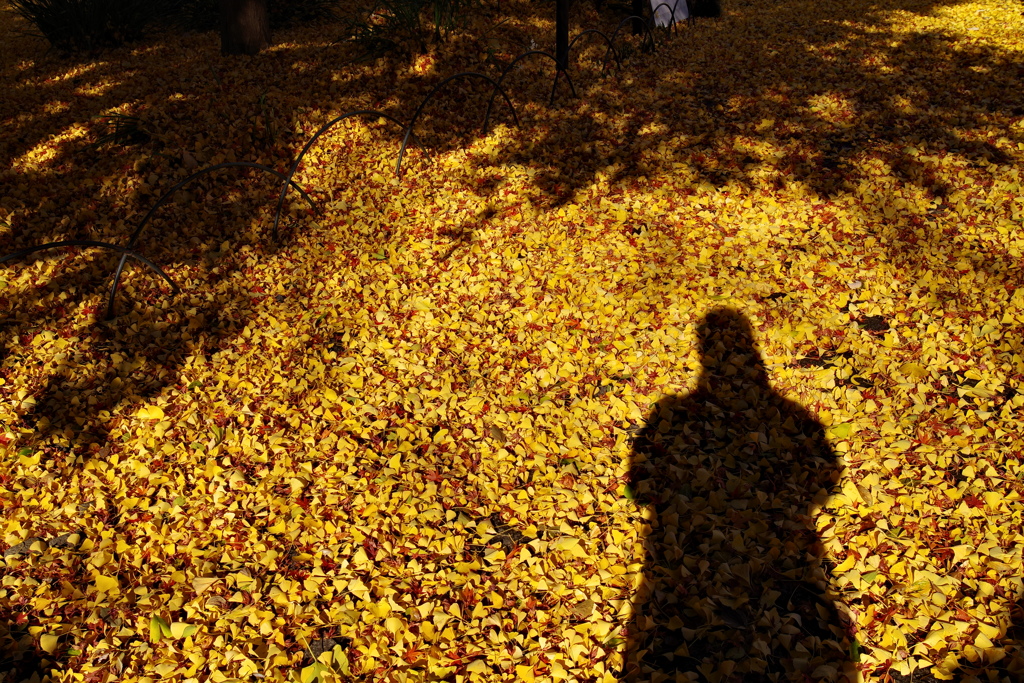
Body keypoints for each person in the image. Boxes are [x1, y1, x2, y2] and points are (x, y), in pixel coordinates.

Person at [623, 307, 850, 681]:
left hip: (679, 562)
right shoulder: (792, 415)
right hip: (785, 550)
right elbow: (828, 479)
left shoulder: (671, 413)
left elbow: (640, 486)